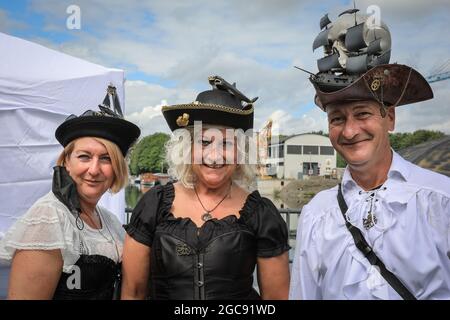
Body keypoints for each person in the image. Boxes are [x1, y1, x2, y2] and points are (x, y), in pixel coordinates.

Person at [289, 9, 450, 300]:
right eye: (337, 119)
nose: (350, 131)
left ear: (390, 118)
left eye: (362, 114)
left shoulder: (441, 200)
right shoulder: (316, 214)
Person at [121, 75, 290, 300]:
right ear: (187, 149)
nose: (215, 155)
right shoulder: (154, 204)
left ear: (240, 153)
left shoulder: (261, 213)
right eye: (205, 142)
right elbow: (133, 293)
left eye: (227, 143)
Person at [0, 93, 140, 299]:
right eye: (84, 156)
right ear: (66, 162)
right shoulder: (48, 218)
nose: (94, 169)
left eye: (106, 158)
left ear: (117, 167)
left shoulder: (109, 221)